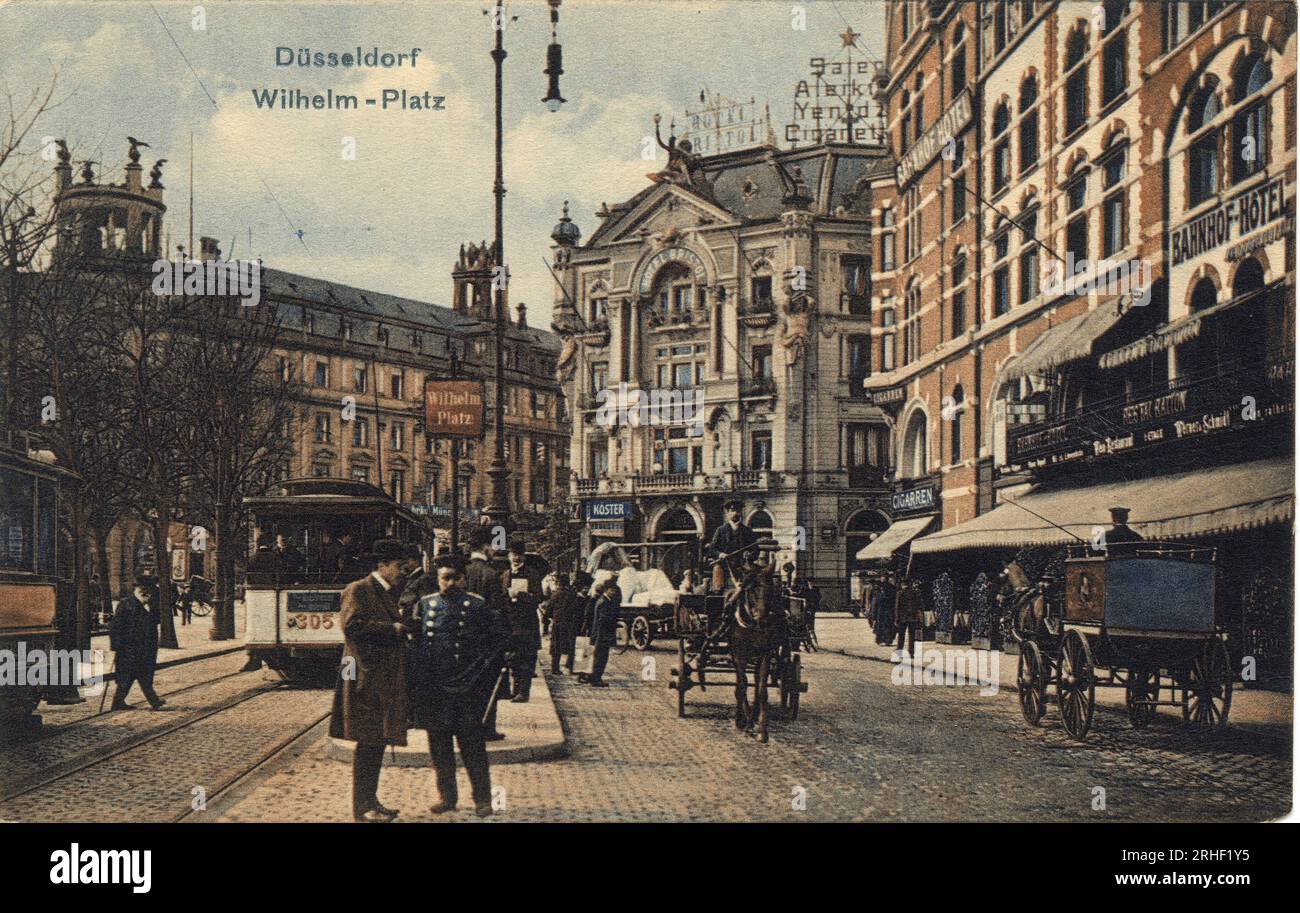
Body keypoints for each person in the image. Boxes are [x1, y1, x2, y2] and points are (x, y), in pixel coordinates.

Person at [409, 554, 509, 817]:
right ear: (438, 580)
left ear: (464, 579)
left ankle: (483, 799)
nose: (451, 583)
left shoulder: (477, 606)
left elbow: (494, 645)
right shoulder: (425, 604)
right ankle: (447, 797)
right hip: (435, 689)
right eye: (446, 578)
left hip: (467, 689)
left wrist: (479, 682)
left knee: (473, 747)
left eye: (456, 578)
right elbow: (417, 647)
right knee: (439, 748)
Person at [328, 538, 413, 823]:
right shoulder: (359, 589)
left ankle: (371, 800)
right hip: (364, 679)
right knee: (367, 744)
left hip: (380, 679)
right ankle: (362, 809)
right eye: (399, 566)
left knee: (376, 743)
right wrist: (393, 629)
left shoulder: (387, 591)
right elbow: (351, 627)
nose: (404, 571)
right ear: (383, 565)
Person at [466, 527, 507, 741]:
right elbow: (497, 613)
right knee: (487, 685)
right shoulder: (490, 574)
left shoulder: (462, 570)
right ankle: (486, 728)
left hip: (463, 639)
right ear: (486, 547)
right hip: (485, 642)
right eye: (492, 546)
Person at [109, 572, 168, 711]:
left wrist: (150, 607)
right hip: (129, 648)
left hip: (146, 648)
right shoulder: (125, 604)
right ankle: (149, 701)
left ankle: (122, 702)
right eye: (142, 589)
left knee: (144, 676)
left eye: (148, 589)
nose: (146, 592)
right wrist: (116, 646)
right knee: (128, 677)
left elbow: (157, 621)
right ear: (136, 589)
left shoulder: (151, 604)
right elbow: (115, 627)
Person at [502, 541, 548, 703]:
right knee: (513, 658)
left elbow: (539, 598)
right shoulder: (505, 575)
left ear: (524, 557)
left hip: (527, 624)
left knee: (527, 659)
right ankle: (515, 690)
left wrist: (520, 595)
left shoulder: (532, 574)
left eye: (519, 555)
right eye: (513, 555)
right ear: (509, 556)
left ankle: (524, 692)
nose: (516, 558)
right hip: (511, 624)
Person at [704, 500, 758, 594]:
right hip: (724, 565)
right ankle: (718, 597)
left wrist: (749, 554)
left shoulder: (747, 531)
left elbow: (756, 551)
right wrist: (720, 554)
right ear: (728, 513)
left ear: (741, 512)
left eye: (738, 510)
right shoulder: (721, 530)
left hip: (742, 565)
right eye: (732, 510)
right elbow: (712, 549)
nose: (735, 513)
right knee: (717, 570)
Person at [580, 577, 621, 687]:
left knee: (600, 657)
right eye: (612, 590)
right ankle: (596, 679)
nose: (613, 592)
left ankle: (595, 678)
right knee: (600, 658)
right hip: (602, 635)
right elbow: (603, 619)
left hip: (601, 635)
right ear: (606, 590)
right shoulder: (604, 602)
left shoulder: (604, 601)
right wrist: (614, 622)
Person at [542, 573, 582, 675]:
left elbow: (548, 610)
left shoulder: (555, 595)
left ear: (558, 583)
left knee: (556, 647)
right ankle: (570, 667)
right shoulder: (572, 594)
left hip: (558, 624)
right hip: (570, 624)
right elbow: (577, 610)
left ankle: (555, 668)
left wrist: (551, 618)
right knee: (571, 646)